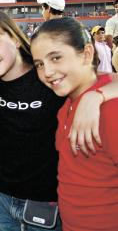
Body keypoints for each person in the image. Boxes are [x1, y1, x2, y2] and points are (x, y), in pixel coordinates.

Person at [0, 8, 118, 231]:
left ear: (14, 38)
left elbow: (103, 80)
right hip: (4, 202)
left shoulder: (49, 77)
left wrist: (96, 95)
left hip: (46, 207)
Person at [31, 17, 118, 231]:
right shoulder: (68, 103)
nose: (47, 72)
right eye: (40, 64)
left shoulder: (109, 109)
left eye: (56, 58)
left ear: (86, 54)